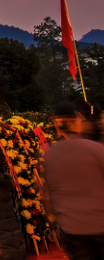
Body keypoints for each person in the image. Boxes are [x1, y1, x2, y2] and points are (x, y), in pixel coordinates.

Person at [42, 102, 104, 260]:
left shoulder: (51, 154)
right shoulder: (96, 149)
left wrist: (57, 215)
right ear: (77, 122)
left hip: (72, 228)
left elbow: (47, 192)